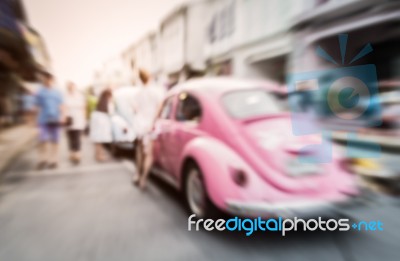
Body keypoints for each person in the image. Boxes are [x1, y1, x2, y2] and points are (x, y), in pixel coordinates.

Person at [132, 69, 164, 189]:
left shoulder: (138, 92)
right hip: (150, 124)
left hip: (139, 124)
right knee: (148, 154)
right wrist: (152, 121)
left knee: (140, 151)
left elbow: (135, 109)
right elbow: (159, 108)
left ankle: (137, 174)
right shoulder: (157, 91)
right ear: (149, 77)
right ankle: (143, 179)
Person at [35, 72, 64, 169]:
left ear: (53, 81)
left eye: (50, 79)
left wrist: (62, 117)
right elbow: (37, 106)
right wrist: (35, 120)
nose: (48, 81)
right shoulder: (40, 91)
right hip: (43, 119)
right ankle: (43, 159)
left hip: (55, 119)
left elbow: (61, 105)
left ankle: (54, 160)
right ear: (44, 80)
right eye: (46, 79)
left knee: (55, 141)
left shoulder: (58, 92)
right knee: (42, 140)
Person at [64, 82, 86, 164]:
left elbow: (84, 107)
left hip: (78, 119)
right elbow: (63, 107)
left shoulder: (80, 96)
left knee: (77, 136)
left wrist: (84, 119)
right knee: (70, 137)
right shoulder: (65, 96)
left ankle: (77, 153)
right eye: (69, 87)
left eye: (72, 87)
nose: (71, 88)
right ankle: (72, 152)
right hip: (69, 119)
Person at [89, 88, 113, 162]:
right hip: (103, 122)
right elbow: (111, 112)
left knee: (97, 140)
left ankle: (98, 155)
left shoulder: (99, 103)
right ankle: (100, 156)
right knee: (101, 140)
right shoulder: (108, 103)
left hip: (96, 120)